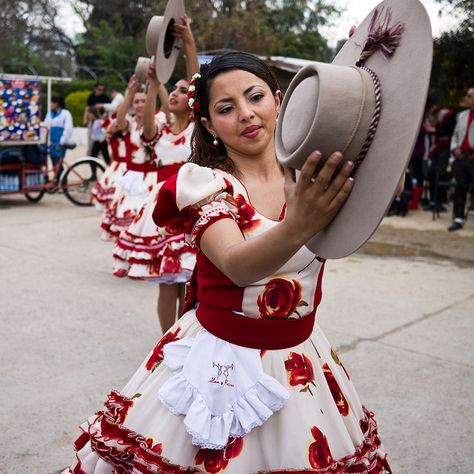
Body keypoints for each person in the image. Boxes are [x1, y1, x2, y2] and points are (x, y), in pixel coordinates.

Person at [67, 52, 392, 473]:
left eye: (255, 97)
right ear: (208, 125)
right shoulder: (205, 182)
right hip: (220, 360)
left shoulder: (310, 173)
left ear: (280, 100)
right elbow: (237, 264)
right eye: (225, 108)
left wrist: (374, 84)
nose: (245, 114)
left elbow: (388, 179)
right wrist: (298, 226)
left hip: (301, 358)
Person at [112, 16, 199, 334]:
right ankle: (169, 339)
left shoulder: (195, 129)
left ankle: (188, 336)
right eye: (172, 90)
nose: (176, 93)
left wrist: (188, 43)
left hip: (194, 201)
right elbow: (146, 123)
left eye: (181, 90)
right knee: (168, 281)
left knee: (191, 281)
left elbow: (197, 85)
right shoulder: (159, 128)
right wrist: (152, 86)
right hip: (165, 204)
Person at [448, 87, 474, 231]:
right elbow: (455, 135)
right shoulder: (462, 115)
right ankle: (458, 218)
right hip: (461, 157)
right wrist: (454, 148)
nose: (466, 98)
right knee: (460, 188)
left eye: (469, 96)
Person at [43, 96, 73, 181]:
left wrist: (61, 142)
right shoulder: (49, 114)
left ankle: (62, 182)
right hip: (51, 143)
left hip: (60, 143)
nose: (50, 105)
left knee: (58, 163)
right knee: (53, 163)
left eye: (52, 102)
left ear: (57, 104)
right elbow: (46, 126)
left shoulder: (65, 114)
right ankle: (57, 181)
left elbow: (68, 129)